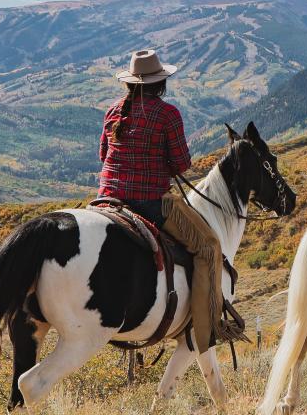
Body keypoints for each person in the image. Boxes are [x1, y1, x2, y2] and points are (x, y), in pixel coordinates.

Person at [98, 48, 241, 351]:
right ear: (159, 83)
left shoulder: (113, 110)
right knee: (210, 247)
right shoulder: (167, 114)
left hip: (107, 197)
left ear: (130, 83)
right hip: (148, 200)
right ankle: (208, 330)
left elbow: (103, 155)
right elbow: (180, 164)